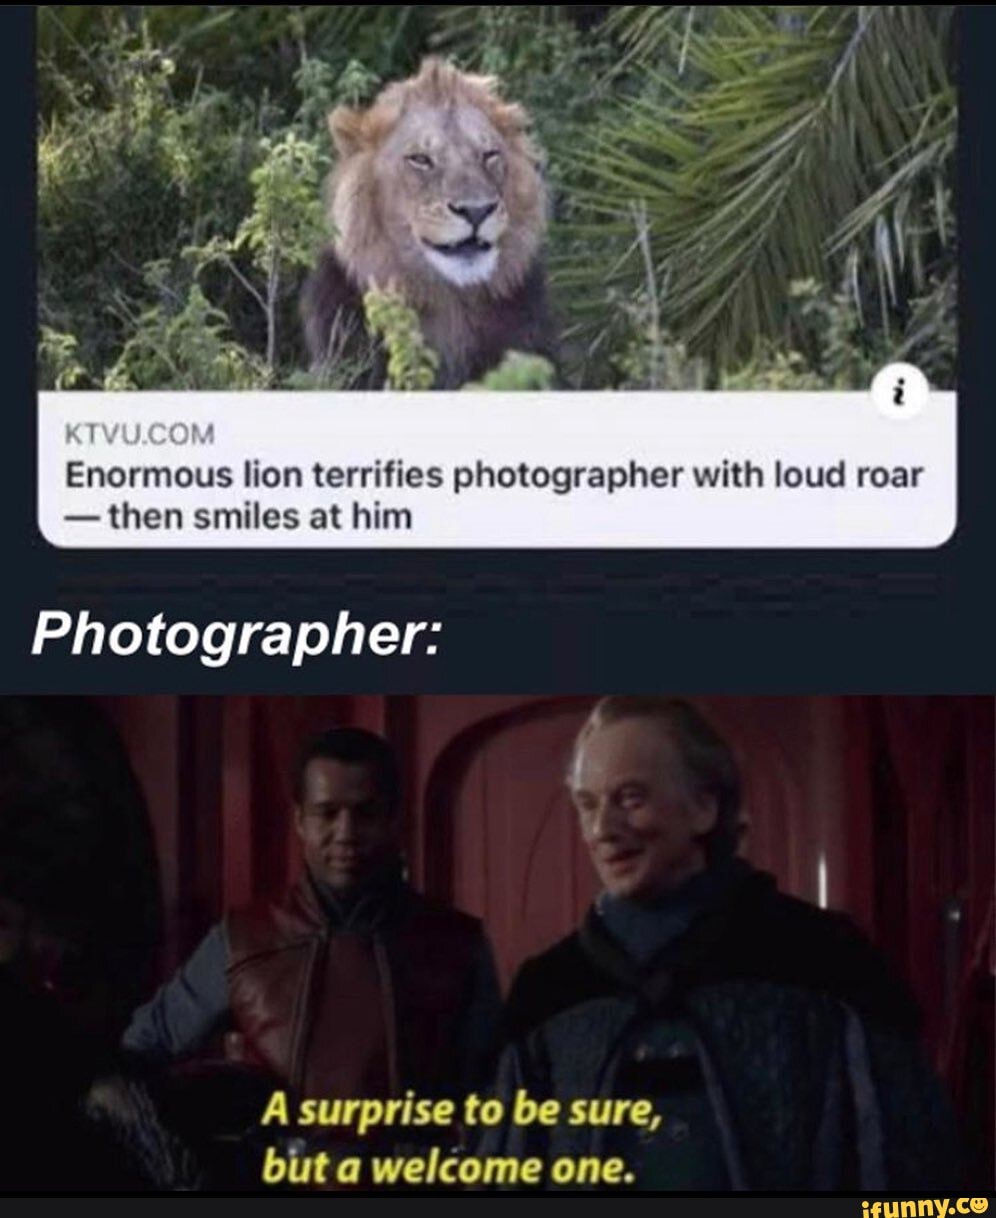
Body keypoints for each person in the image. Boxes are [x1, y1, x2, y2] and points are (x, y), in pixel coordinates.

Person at [485, 696, 960, 1191]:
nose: (602, 830)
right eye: (588, 805)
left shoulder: (828, 963)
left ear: (704, 808)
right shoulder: (548, 993)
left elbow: (917, 1177)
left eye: (630, 798)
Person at [124, 726, 501, 1110]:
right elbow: (143, 1048)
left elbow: (497, 1096)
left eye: (365, 813)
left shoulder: (457, 945)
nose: (346, 833)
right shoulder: (243, 940)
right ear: (300, 820)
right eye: (327, 813)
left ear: (393, 820)